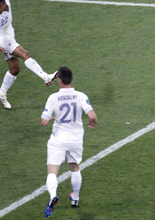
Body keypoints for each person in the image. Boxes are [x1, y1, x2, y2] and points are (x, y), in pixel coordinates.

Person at [0, 0, 57, 109]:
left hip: (9, 35)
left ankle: (1, 94)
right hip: (1, 39)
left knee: (15, 69)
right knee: (25, 53)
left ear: (4, 2)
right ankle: (45, 77)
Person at [41, 66, 97, 217]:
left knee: (52, 171)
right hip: (75, 139)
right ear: (70, 80)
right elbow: (92, 115)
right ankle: (75, 198)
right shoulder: (80, 95)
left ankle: (53, 196)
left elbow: (44, 122)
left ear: (59, 80)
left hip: (58, 139)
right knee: (74, 168)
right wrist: (93, 122)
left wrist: (51, 117)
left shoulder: (53, 98)